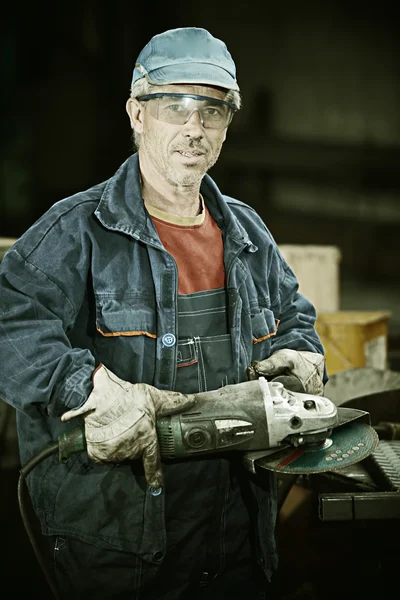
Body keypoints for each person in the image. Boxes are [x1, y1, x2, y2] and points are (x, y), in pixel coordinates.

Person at [0, 26, 327, 600]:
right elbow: (10, 325)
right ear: (137, 113)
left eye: (212, 109)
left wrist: (303, 353)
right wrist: (88, 387)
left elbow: (295, 315)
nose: (194, 127)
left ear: (227, 123)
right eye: (174, 104)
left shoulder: (248, 234)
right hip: (116, 541)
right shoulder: (75, 233)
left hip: (235, 537)